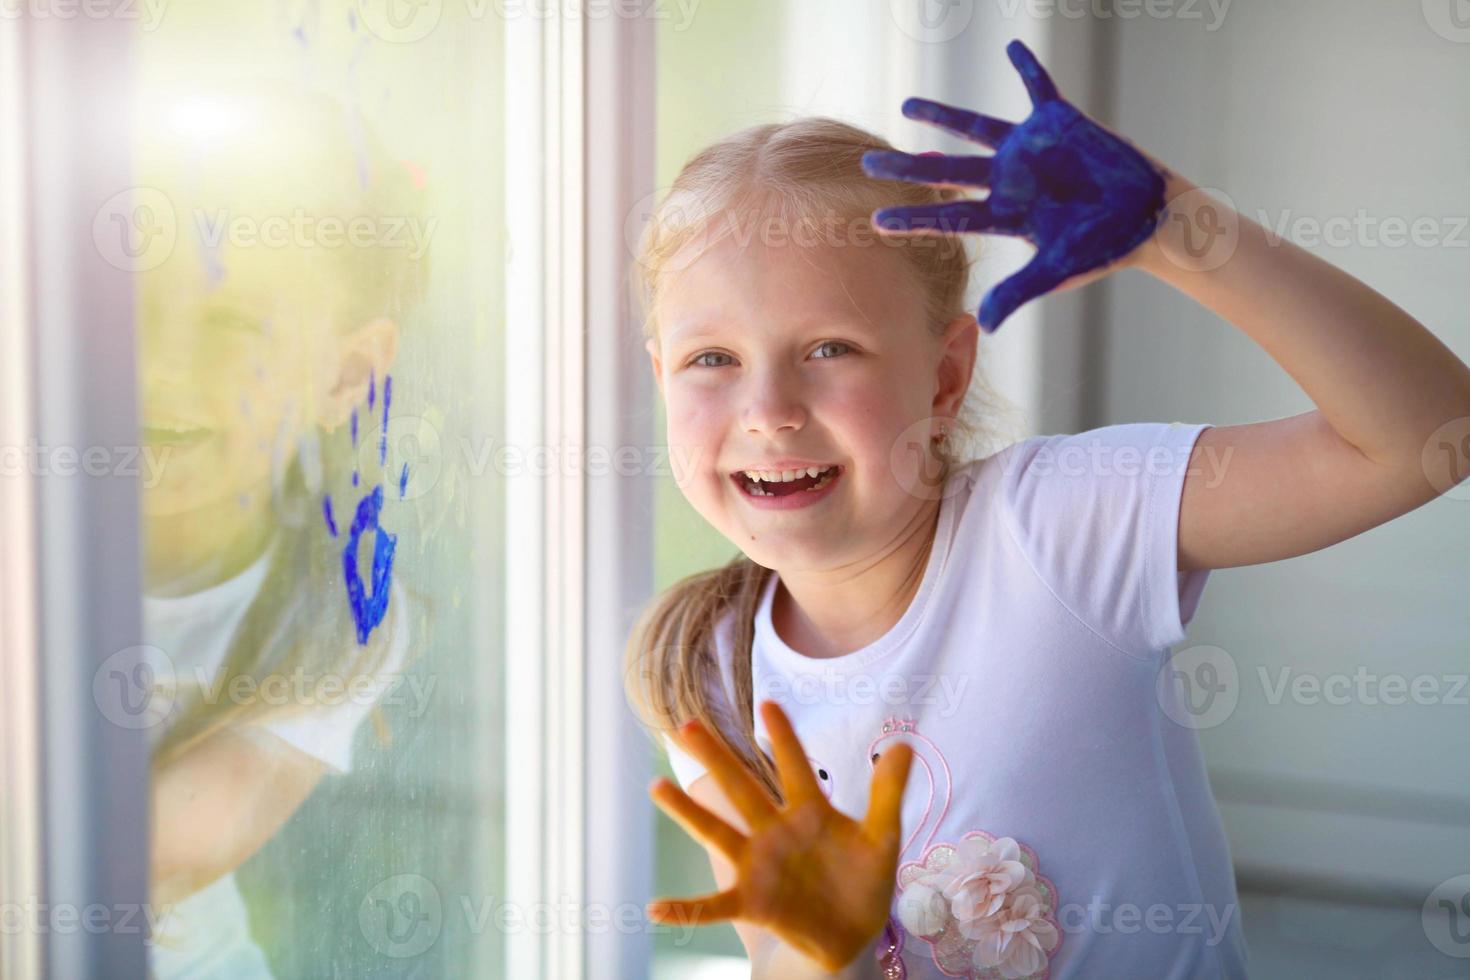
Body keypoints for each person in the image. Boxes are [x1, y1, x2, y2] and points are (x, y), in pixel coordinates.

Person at [623, 40, 1470, 980]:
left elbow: (1425, 439)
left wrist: (1178, 231)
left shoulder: (1060, 529)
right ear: (661, 378)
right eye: (712, 360)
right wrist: (837, 954)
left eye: (830, 348)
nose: (769, 409)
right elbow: (789, 961)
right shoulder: (709, 671)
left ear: (945, 378)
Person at [128, 80, 429, 978]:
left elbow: (147, 862)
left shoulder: (341, 612)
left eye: (232, 323)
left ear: (345, 374)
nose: (160, 366)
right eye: (125, 309)